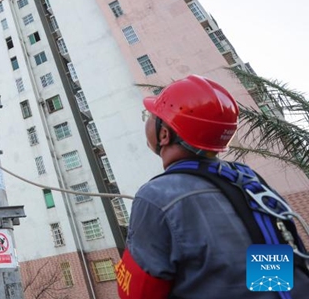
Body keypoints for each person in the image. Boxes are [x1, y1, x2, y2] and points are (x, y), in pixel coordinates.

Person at [117, 74, 309, 298]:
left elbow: (137, 293)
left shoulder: (157, 196)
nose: (147, 120)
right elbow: (271, 281)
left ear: (164, 134)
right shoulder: (245, 180)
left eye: (150, 116)